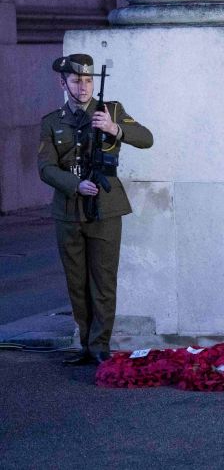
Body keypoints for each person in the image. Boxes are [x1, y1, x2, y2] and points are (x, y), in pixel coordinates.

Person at [37, 54, 153, 365]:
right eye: (76, 80)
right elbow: (46, 168)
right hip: (68, 209)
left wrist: (116, 129)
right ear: (64, 83)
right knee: (76, 281)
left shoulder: (111, 110)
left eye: (88, 80)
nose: (84, 86)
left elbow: (147, 138)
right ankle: (86, 344)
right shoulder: (52, 121)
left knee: (103, 279)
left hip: (105, 206)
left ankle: (101, 344)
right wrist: (75, 186)